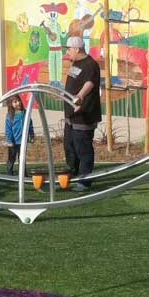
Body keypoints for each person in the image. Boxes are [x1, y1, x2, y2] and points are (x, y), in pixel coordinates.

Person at [61, 36, 102, 192]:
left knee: (82, 148)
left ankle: (85, 181)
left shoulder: (90, 65)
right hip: (71, 115)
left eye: (69, 49)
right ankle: (75, 173)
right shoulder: (76, 63)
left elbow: (89, 83)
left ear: (77, 49)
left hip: (84, 115)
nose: (67, 52)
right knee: (69, 146)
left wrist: (80, 97)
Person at [4, 96, 35, 176]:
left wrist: (32, 136)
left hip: (23, 141)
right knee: (11, 158)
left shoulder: (25, 113)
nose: (18, 103)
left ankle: (23, 174)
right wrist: (9, 140)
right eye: (15, 102)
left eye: (18, 101)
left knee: (22, 158)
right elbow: (8, 130)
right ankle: (9, 172)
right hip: (13, 142)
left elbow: (30, 125)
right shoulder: (10, 116)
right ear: (10, 105)